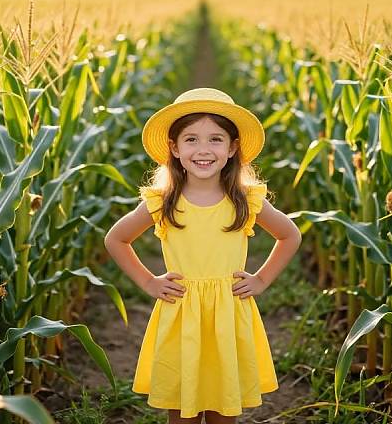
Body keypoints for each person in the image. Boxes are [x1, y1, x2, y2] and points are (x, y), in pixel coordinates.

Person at [104, 87, 302, 424]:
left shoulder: (246, 199)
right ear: (175, 148)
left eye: (215, 139)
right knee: (182, 410)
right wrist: (149, 282)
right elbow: (116, 239)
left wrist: (262, 278)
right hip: (182, 316)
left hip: (228, 315)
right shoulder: (162, 200)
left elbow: (289, 235)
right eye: (191, 139)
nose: (203, 150)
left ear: (232, 147)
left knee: (223, 407)